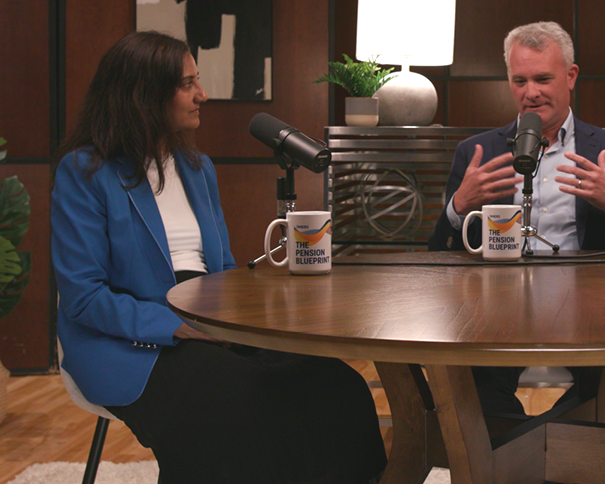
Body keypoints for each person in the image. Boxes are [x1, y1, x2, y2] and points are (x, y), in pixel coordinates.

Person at [52, 31, 387, 484]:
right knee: (238, 400)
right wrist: (176, 326)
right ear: (144, 95)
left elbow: (224, 270)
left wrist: (245, 315)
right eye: (187, 84)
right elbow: (84, 298)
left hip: (210, 320)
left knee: (337, 385)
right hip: (129, 338)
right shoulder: (85, 172)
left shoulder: (196, 169)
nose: (202, 95)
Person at [428, 21, 605, 423]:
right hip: (495, 313)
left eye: (542, 78)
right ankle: (548, 455)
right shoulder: (478, 152)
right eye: (519, 80)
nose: (530, 92)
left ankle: (523, 456)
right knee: (467, 384)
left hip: (590, 310)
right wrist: (458, 206)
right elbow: (436, 254)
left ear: (570, 77)